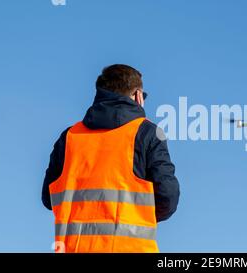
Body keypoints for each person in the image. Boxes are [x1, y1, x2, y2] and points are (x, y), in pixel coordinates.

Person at [41, 64, 180, 253]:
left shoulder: (69, 137)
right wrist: (137, 214)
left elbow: (48, 199)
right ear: (138, 96)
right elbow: (168, 197)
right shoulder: (149, 133)